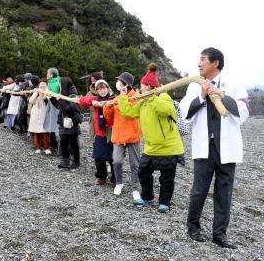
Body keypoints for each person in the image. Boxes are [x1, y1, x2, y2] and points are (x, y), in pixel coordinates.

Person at [180, 48, 249, 249]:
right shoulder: (194, 86)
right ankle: (193, 228)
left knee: (224, 192)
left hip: (227, 148)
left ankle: (220, 234)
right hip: (204, 146)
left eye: (202, 59)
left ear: (215, 63)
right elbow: (185, 112)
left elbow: (244, 110)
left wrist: (223, 96)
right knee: (198, 190)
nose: (198, 64)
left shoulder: (234, 84)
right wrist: (202, 97)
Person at [118, 64, 185, 212]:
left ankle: (165, 202)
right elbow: (128, 113)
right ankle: (147, 196)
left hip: (169, 147)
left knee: (167, 178)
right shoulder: (143, 101)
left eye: (142, 86)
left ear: (149, 87)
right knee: (143, 172)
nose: (140, 89)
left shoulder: (164, 97)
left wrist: (152, 97)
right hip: (151, 147)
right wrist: (123, 97)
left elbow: (166, 110)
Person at [103, 72, 143, 201]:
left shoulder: (137, 97)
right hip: (118, 134)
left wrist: (124, 97)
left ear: (126, 84)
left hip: (133, 134)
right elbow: (109, 118)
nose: (117, 83)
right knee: (117, 161)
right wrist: (107, 107)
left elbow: (132, 113)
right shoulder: (116, 97)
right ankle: (119, 183)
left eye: (120, 81)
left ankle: (136, 189)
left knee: (135, 164)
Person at [79, 79, 116, 186]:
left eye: (104, 88)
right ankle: (102, 177)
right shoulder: (95, 99)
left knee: (113, 158)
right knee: (98, 157)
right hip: (99, 133)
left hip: (112, 132)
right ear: (96, 91)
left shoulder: (113, 99)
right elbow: (83, 100)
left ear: (108, 88)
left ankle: (115, 179)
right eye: (99, 89)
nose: (102, 91)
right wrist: (92, 102)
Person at [49, 77, 83, 169]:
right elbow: (58, 106)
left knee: (73, 143)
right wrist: (52, 98)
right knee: (63, 141)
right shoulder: (62, 92)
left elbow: (70, 108)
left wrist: (59, 99)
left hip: (72, 121)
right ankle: (65, 160)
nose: (59, 85)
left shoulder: (73, 94)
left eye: (60, 83)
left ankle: (76, 161)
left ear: (64, 84)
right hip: (63, 121)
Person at [28, 79, 51, 154]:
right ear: (39, 85)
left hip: (45, 114)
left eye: (44, 84)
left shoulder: (48, 92)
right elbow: (31, 101)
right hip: (36, 114)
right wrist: (36, 93)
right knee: (36, 132)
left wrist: (45, 94)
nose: (42, 85)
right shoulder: (36, 92)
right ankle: (37, 147)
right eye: (41, 84)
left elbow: (50, 102)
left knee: (45, 132)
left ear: (46, 85)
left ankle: (47, 147)